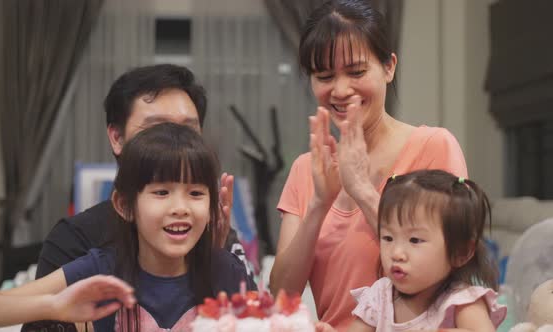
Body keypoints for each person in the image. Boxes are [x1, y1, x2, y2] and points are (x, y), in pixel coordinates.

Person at [269, 0, 468, 330]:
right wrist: (319, 203)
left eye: (357, 71)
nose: (342, 89)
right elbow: (280, 295)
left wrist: (361, 189)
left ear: (389, 67)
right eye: (325, 75)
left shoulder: (434, 147)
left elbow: (451, 261)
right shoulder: (307, 169)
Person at [0, 123, 256, 330]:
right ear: (125, 205)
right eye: (161, 192)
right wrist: (54, 306)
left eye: (195, 194)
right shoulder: (101, 269)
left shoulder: (226, 270)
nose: (180, 208)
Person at [36, 64, 247, 280]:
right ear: (117, 138)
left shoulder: (216, 235)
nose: (174, 142)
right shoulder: (75, 241)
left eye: (187, 130)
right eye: (156, 128)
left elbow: (246, 306)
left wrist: (213, 258)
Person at [315, 170, 507, 331]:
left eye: (415, 240)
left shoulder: (461, 303)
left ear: (461, 253)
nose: (396, 253)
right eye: (388, 238)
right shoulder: (380, 296)